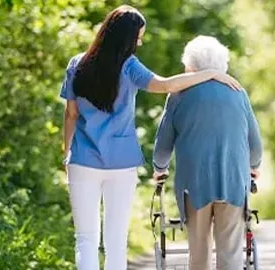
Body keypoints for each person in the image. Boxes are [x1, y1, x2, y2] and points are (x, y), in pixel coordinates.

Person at [59, 5, 243, 270]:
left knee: (85, 239)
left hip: (82, 160)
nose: (140, 42)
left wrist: (67, 153)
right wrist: (213, 74)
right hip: (121, 163)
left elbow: (71, 115)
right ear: (125, 38)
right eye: (138, 37)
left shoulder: (77, 64)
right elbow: (166, 85)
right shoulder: (129, 66)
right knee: (115, 240)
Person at [151, 35, 263, 270]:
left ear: (190, 65)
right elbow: (254, 142)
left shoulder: (178, 95)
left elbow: (163, 144)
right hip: (233, 181)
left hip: (195, 183)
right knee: (231, 252)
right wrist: (254, 166)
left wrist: (160, 169)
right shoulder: (238, 93)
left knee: (199, 250)